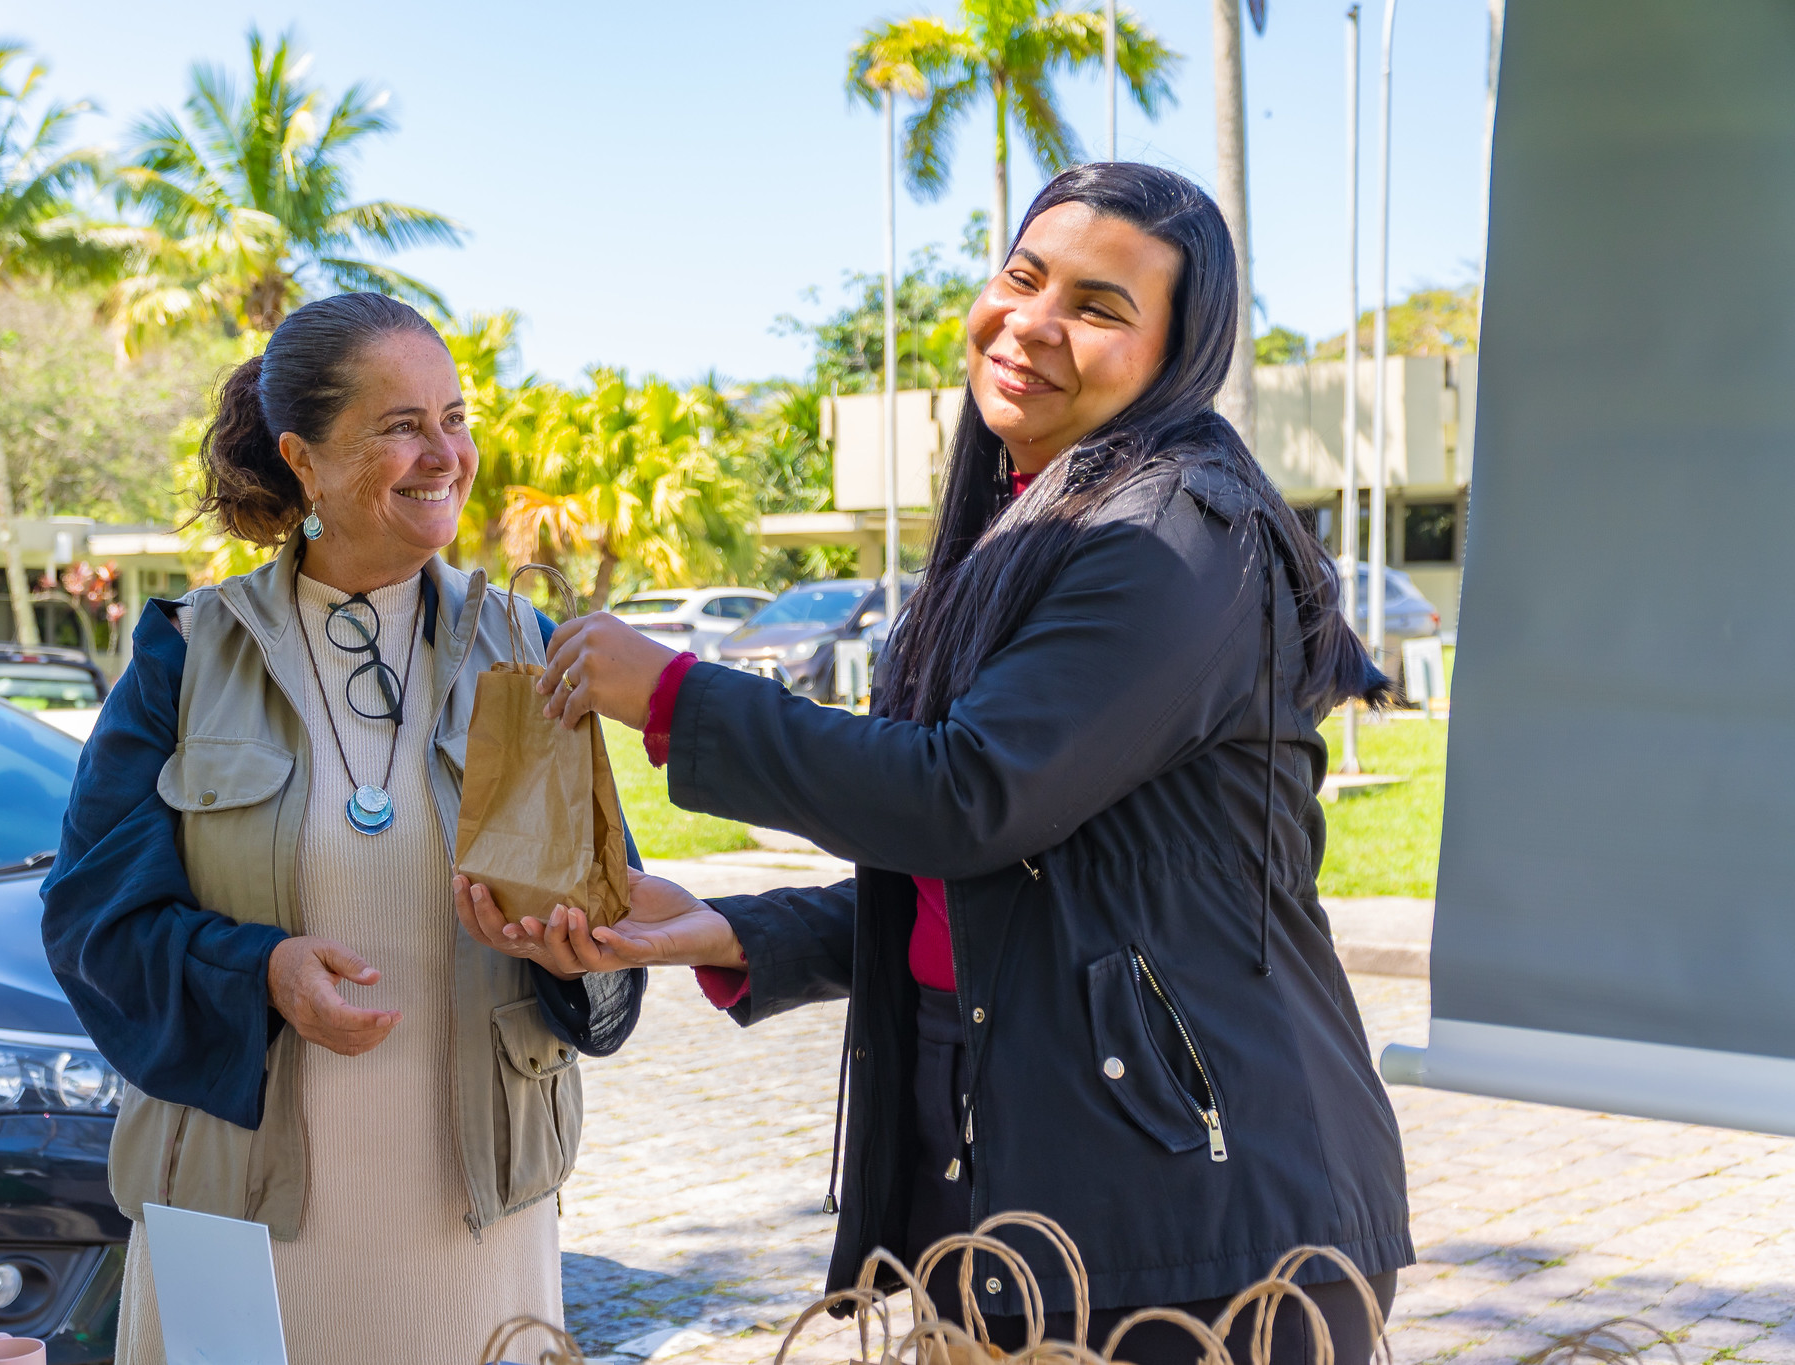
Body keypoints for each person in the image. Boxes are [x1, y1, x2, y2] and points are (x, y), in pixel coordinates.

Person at [454, 164, 1411, 1365]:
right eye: (1022, 276)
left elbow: (968, 798)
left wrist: (674, 695)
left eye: (1100, 306)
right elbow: (1018, 884)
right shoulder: (1035, 520)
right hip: (1037, 1202)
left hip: (1197, 1221)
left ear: (1175, 354)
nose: (1033, 322)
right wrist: (725, 930)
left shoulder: (1174, 533)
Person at [43, 292, 642, 1365]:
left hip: (473, 1217)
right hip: (236, 1215)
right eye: (399, 425)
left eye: (453, 419)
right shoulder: (186, 654)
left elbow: (611, 924)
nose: (442, 455)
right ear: (302, 460)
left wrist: (577, 951)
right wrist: (260, 971)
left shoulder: (527, 643)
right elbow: (92, 921)